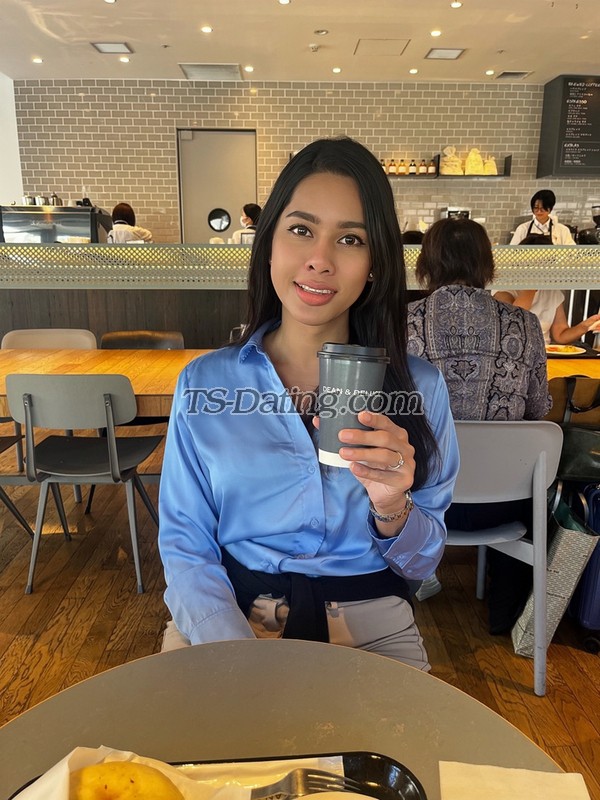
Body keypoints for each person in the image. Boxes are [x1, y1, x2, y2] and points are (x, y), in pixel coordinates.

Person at [158, 136, 459, 670]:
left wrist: (393, 506)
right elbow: (186, 545)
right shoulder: (204, 383)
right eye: (301, 230)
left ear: (375, 263)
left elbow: (422, 563)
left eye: (350, 239)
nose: (320, 260)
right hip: (227, 617)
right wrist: (237, 656)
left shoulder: (421, 388)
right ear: (269, 243)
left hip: (373, 626)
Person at [406, 218, 552, 625]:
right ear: (488, 264)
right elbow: (538, 410)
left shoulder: (402, 323)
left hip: (422, 504)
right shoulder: (525, 324)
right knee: (536, 483)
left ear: (425, 265)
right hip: (504, 506)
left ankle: (396, 603)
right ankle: (505, 615)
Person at [494, 233, 600, 344]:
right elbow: (513, 324)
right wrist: (531, 285)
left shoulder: (551, 292)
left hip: (545, 351)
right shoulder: (504, 290)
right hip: (514, 351)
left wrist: (585, 326)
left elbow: (560, 335)